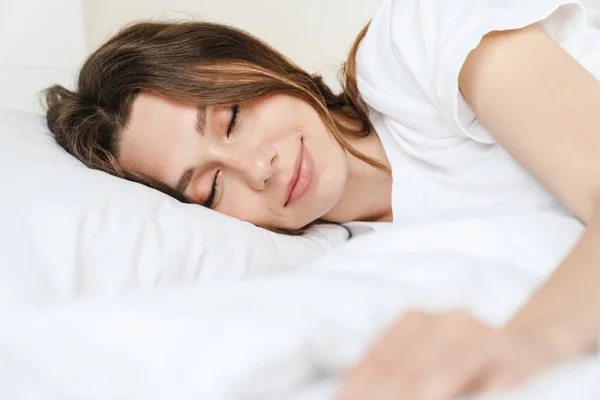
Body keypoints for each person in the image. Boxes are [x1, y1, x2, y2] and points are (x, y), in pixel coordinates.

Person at [45, 0, 600, 399]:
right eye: (212, 187)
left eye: (233, 117)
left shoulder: (417, 42)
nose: (256, 168)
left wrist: (533, 341)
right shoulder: (348, 261)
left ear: (251, 62)